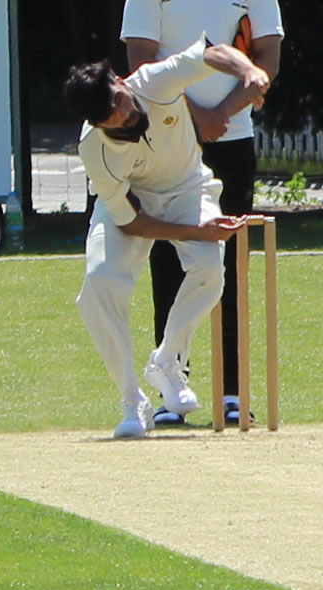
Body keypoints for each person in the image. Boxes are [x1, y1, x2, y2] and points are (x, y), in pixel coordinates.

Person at [120, 0, 284, 428]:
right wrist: (195, 116)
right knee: (171, 260)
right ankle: (174, 392)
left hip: (232, 140)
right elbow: (141, 67)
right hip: (168, 145)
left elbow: (267, 61)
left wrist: (223, 114)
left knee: (229, 262)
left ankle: (232, 392)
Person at [64, 41, 273, 439]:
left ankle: (167, 360)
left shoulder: (153, 82)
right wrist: (196, 233)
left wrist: (246, 70)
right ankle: (132, 400)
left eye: (121, 101)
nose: (126, 114)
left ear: (119, 80)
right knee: (98, 284)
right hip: (134, 206)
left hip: (188, 189)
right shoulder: (94, 148)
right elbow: (132, 223)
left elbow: (209, 54)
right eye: (112, 118)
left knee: (210, 268)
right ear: (96, 123)